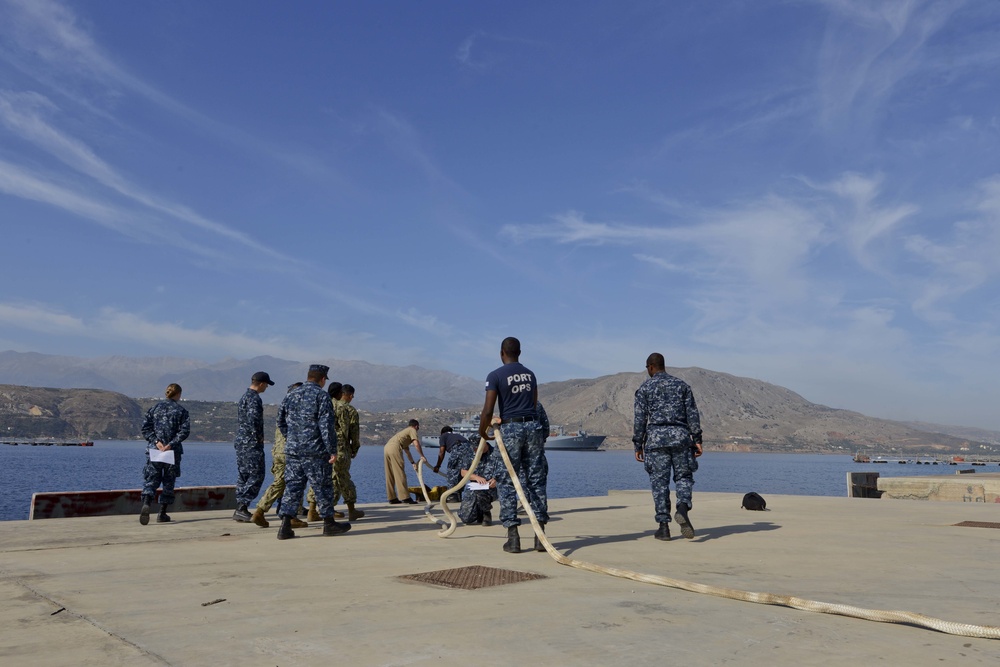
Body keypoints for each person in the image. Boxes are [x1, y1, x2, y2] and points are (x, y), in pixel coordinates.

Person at [478, 336, 548, 553]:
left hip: (510, 430)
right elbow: (534, 404)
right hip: (532, 428)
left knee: (508, 481)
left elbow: (489, 409)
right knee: (536, 480)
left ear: (502, 353)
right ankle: (540, 537)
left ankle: (514, 538)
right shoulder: (530, 375)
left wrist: (483, 431)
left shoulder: (495, 375)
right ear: (520, 352)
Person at [633, 352, 703, 541]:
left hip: (656, 441)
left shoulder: (645, 388)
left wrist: (638, 444)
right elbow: (693, 415)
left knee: (659, 484)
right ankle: (682, 507)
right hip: (681, 438)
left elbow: (640, 419)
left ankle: (663, 528)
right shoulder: (682, 386)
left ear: (650, 367)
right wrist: (697, 439)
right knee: (683, 477)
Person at [275, 364, 351, 540]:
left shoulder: (291, 395)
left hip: (294, 451)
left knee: (293, 487)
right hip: (315, 451)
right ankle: (329, 523)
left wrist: (293, 438)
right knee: (323, 487)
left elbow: (280, 420)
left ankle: (285, 526)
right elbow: (326, 427)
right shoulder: (321, 396)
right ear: (323, 379)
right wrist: (332, 450)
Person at [253, 383, 308, 529]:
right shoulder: (298, 409)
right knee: (293, 482)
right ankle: (264, 510)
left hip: (278, 451)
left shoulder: (284, 407)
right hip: (290, 452)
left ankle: (277, 511)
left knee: (282, 482)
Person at [139, 383, 190, 525]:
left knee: (151, 479)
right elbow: (184, 432)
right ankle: (162, 513)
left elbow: (145, 428)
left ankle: (147, 503)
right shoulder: (181, 411)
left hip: (155, 451)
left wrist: (156, 441)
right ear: (178, 394)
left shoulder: (154, 409)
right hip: (171, 453)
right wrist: (171, 444)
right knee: (168, 481)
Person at [234, 371, 274, 524]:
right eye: (266, 385)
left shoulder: (244, 396)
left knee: (244, 474)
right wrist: (258, 437)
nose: (266, 388)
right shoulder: (254, 399)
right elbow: (253, 420)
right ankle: (242, 507)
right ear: (262, 384)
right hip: (251, 442)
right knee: (257, 474)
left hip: (242, 441)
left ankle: (240, 506)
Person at [457, 440, 505, 526]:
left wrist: (495, 479)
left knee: (482, 493)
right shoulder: (470, 453)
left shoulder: (496, 454)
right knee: (466, 518)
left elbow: (504, 470)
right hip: (475, 486)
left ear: (484, 444)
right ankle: (479, 512)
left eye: (477, 448)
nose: (476, 450)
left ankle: (486, 512)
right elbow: (463, 472)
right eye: (474, 448)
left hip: (492, 487)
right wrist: (476, 477)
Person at [336, 383, 364, 520]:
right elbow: (354, 433)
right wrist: (354, 448)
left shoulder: (328, 405)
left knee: (329, 479)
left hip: (325, 450)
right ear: (347, 394)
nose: (352, 397)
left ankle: (313, 509)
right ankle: (352, 510)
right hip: (341, 449)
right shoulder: (349, 410)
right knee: (344, 479)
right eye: (351, 395)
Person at [383, 419, 424, 504]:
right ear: (416, 426)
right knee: (399, 473)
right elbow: (416, 444)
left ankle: (392, 498)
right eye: (418, 428)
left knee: (389, 474)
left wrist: (413, 463)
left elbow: (407, 451)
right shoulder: (412, 430)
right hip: (395, 447)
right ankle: (405, 497)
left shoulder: (404, 434)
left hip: (387, 447)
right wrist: (422, 456)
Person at [432, 425, 473, 501]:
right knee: (463, 473)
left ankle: (452, 496)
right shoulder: (457, 435)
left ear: (442, 433)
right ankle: (459, 494)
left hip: (457, 449)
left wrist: (438, 466)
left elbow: (441, 452)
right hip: (470, 451)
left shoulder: (443, 436)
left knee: (452, 471)